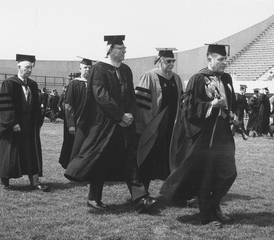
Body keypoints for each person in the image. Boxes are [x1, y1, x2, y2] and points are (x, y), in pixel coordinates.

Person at [64, 35, 156, 212]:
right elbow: (101, 95)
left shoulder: (126, 70)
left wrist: (129, 116)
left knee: (130, 159)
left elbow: (130, 95)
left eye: (124, 49)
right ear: (110, 50)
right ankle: (93, 198)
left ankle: (140, 198)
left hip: (125, 123)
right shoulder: (99, 69)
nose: (125, 51)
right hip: (104, 124)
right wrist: (120, 115)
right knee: (100, 159)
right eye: (121, 49)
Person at [160, 44, 237, 228]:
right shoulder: (198, 79)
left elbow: (230, 101)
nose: (224, 62)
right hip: (205, 135)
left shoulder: (226, 78)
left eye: (225, 59)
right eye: (220, 59)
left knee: (229, 173)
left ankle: (214, 205)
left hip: (223, 133)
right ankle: (207, 217)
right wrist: (211, 105)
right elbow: (188, 108)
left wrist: (232, 114)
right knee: (206, 176)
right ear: (209, 58)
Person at [0, 54, 49, 191]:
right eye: (26, 67)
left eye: (31, 68)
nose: (29, 70)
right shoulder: (9, 83)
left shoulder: (33, 85)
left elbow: (36, 106)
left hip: (29, 125)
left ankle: (35, 181)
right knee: (10, 152)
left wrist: (37, 122)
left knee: (31, 151)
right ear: (18, 67)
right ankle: (5, 181)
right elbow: (5, 105)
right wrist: (13, 122)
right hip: (13, 125)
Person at [135, 48, 185, 193]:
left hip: (171, 126)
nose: (171, 64)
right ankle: (142, 192)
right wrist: (149, 126)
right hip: (153, 125)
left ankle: (171, 192)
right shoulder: (149, 76)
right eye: (168, 61)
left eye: (173, 61)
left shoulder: (176, 78)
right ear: (160, 61)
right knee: (147, 158)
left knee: (170, 159)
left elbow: (182, 102)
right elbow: (141, 103)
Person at [59, 58, 93, 169]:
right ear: (80, 69)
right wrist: (71, 125)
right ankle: (71, 166)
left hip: (90, 122)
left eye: (89, 67)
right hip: (76, 121)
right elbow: (68, 105)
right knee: (73, 145)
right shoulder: (74, 84)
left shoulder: (94, 84)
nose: (87, 70)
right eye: (85, 68)